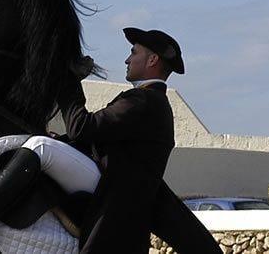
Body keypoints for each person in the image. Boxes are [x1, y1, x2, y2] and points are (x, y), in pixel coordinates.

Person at [59, 27, 218, 253]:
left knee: (39, 151)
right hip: (124, 230)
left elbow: (82, 128)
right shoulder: (151, 103)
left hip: (111, 227)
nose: (127, 59)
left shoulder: (143, 101)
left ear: (152, 59)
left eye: (133, 52)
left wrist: (67, 83)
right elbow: (100, 141)